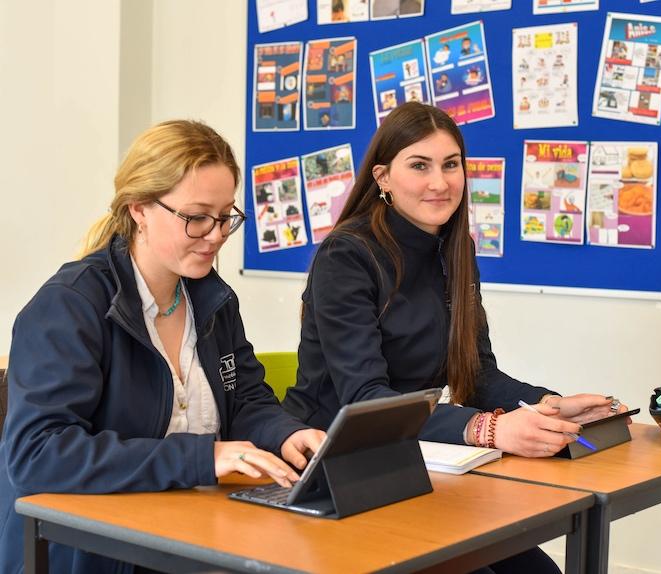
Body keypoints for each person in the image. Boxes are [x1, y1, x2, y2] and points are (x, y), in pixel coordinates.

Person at [283, 102, 627, 574]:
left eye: (451, 165)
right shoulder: (347, 255)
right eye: (419, 166)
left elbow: (478, 374)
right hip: (334, 466)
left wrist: (547, 404)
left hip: (414, 459)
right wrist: (487, 429)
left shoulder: (456, 247)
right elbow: (366, 400)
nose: (439, 183)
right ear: (383, 177)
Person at [0, 120, 325, 574]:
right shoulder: (70, 306)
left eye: (226, 216)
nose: (215, 235)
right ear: (139, 210)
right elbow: (38, 455)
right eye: (196, 217)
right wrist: (203, 457)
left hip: (190, 536)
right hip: (92, 555)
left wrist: (287, 433)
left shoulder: (211, 298)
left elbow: (247, 401)